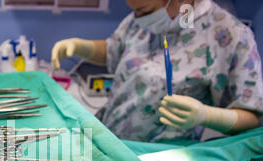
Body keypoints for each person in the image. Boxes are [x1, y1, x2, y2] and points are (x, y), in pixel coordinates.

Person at [51, 0, 263, 142]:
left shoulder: (231, 36)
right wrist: (81, 47)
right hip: (112, 140)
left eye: (144, 11)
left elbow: (252, 117)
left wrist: (206, 115)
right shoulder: (140, 19)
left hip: (162, 160)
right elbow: (115, 51)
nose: (137, 17)